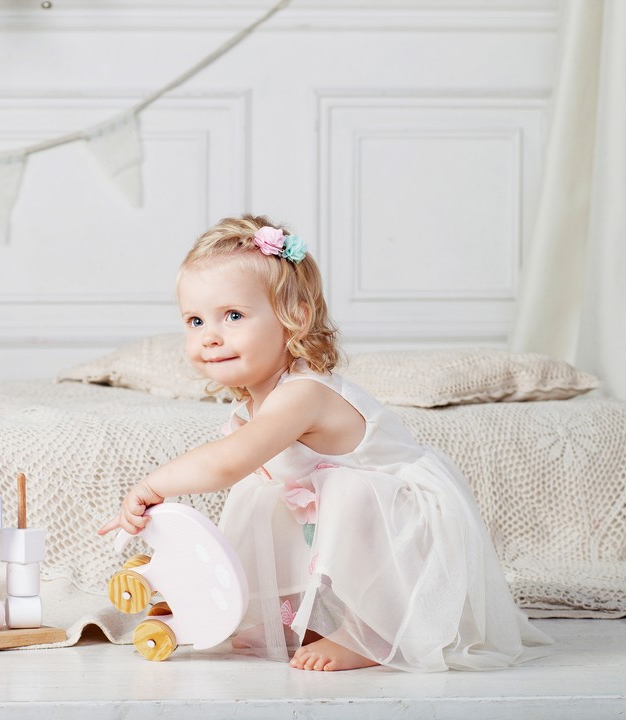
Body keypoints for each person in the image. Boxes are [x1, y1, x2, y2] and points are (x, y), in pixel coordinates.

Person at [98, 213, 552, 672]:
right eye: (195, 321)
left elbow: (225, 464)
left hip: (403, 527)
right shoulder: (248, 410)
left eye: (233, 316)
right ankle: (302, 620)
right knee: (267, 499)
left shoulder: (304, 393)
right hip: (332, 517)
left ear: (294, 318)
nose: (210, 336)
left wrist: (154, 485)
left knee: (344, 492)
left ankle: (369, 632)